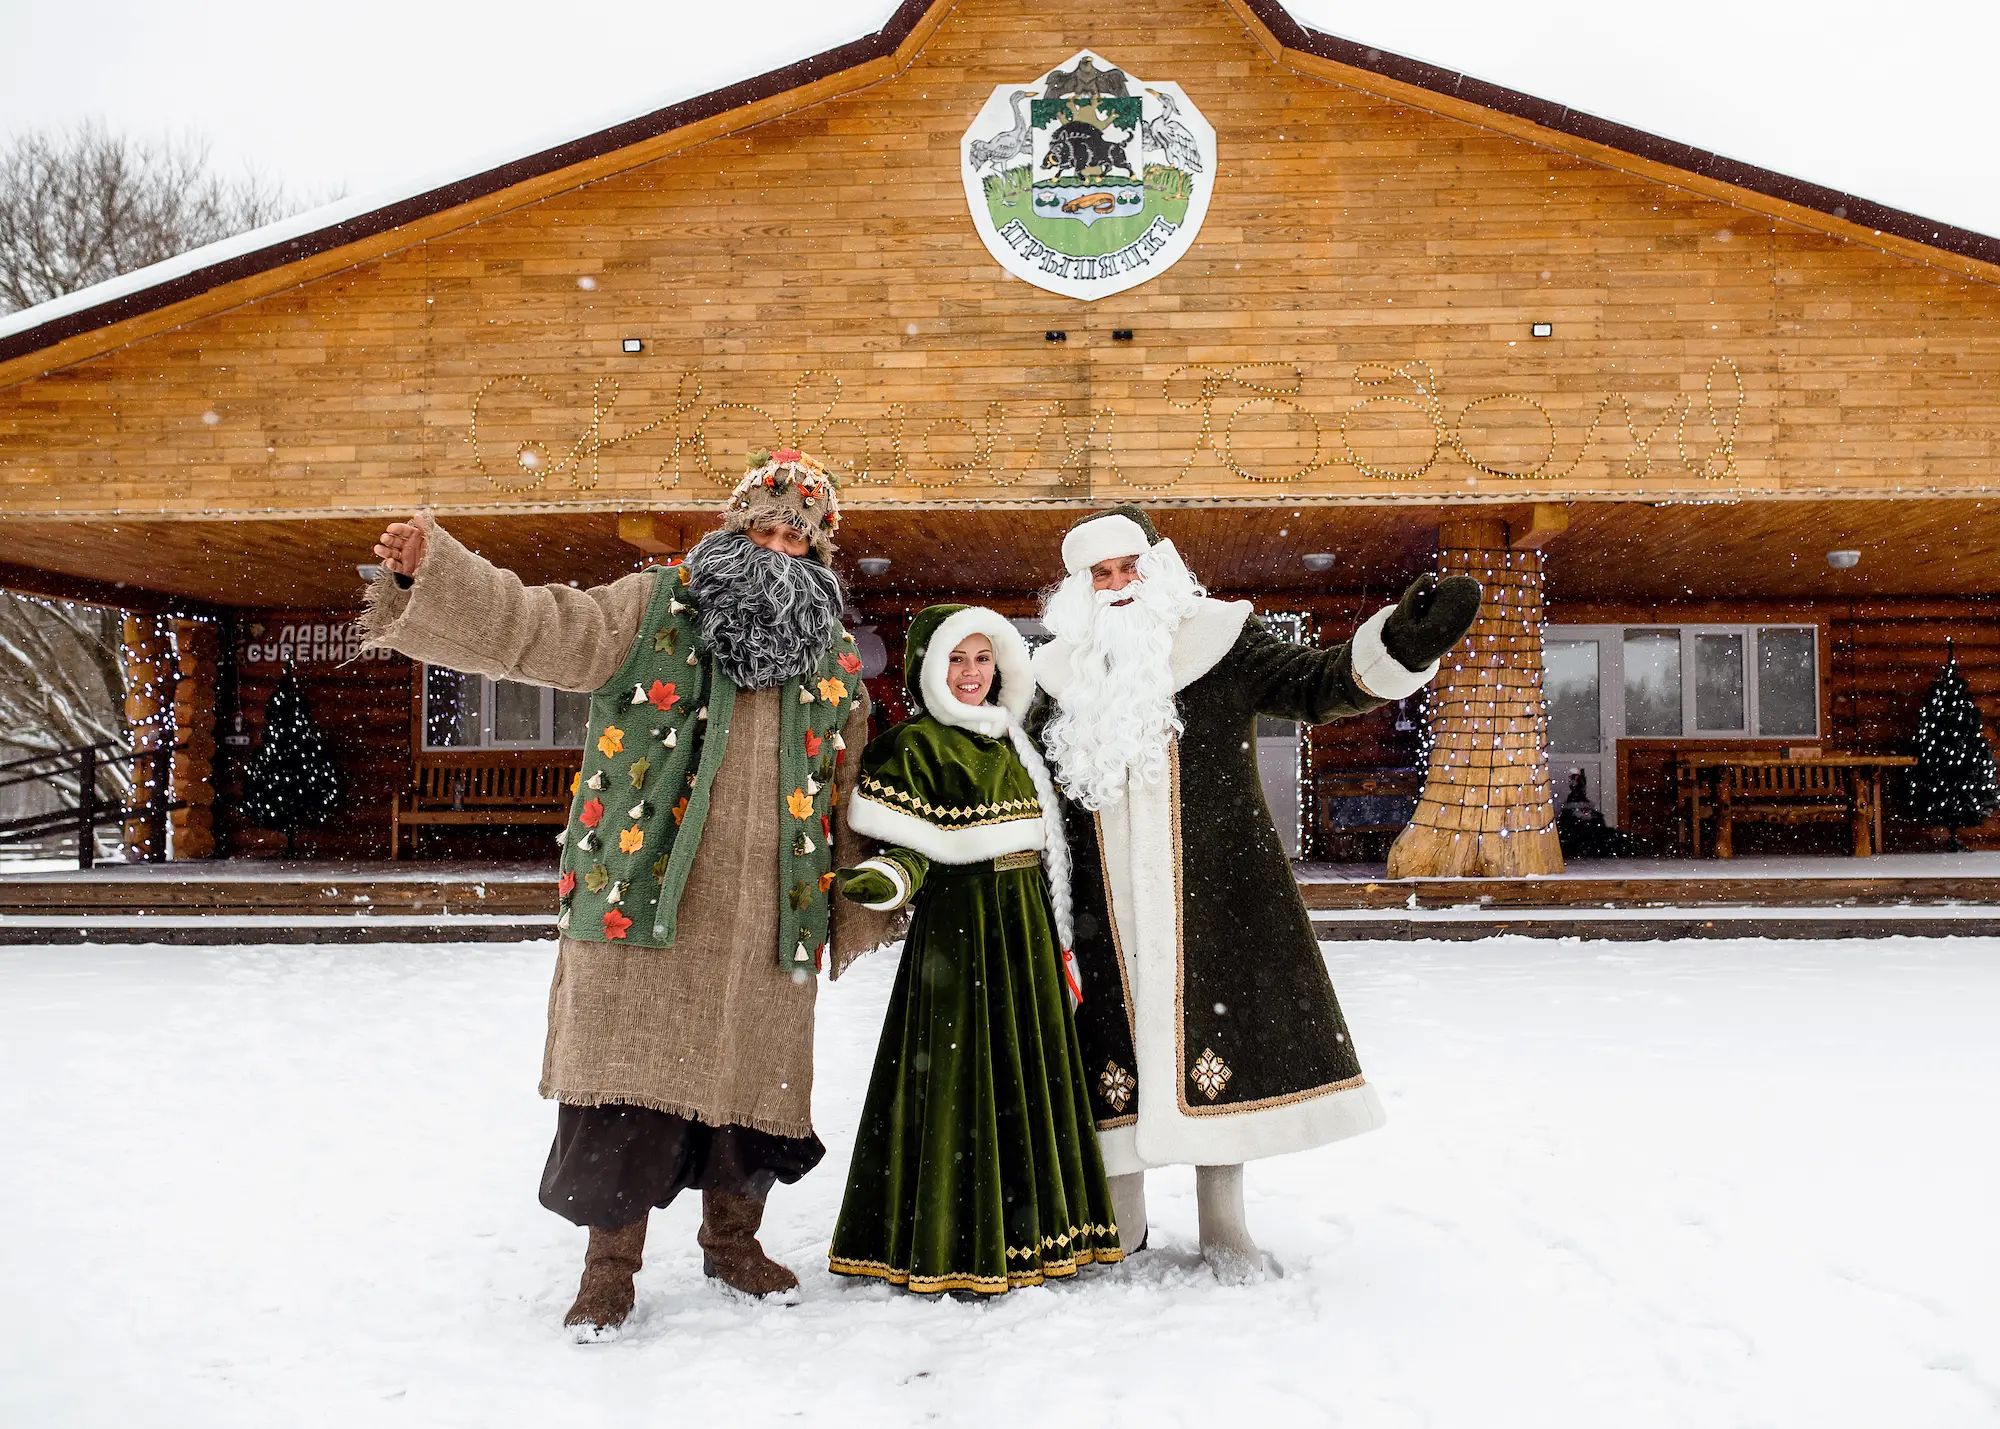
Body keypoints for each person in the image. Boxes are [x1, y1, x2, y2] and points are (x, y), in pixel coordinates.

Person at [362, 449, 895, 1337]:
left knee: (754, 1086)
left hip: (771, 911)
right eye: (761, 526)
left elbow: (847, 781)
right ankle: (609, 1267)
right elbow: (540, 626)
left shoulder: (832, 656)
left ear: (820, 554)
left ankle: (733, 1246)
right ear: (732, 528)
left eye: (795, 537)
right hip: (644, 898)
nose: (775, 547)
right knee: (628, 1086)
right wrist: (437, 570)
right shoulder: (654, 608)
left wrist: (868, 890)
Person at [1030, 505, 1480, 1281]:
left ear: (1158, 566)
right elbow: (1023, 776)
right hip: (1100, 907)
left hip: (1212, 892)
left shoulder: (1220, 642)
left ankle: (1225, 1226)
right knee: (1107, 1046)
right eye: (1100, 574)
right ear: (1081, 589)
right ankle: (1120, 1217)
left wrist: (1400, 646)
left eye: (1127, 566)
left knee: (1217, 1046)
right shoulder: (1057, 676)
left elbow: (1317, 685)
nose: (1117, 585)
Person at [826, 605, 1122, 1296]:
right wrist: (889, 878)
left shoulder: (1020, 744)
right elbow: (908, 849)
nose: (971, 673)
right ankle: (953, 1239)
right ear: (932, 667)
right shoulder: (916, 746)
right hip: (960, 935)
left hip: (1026, 933)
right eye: (957, 659)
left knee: (1029, 1078)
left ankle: (1037, 1231)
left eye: (984, 658)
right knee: (959, 1082)